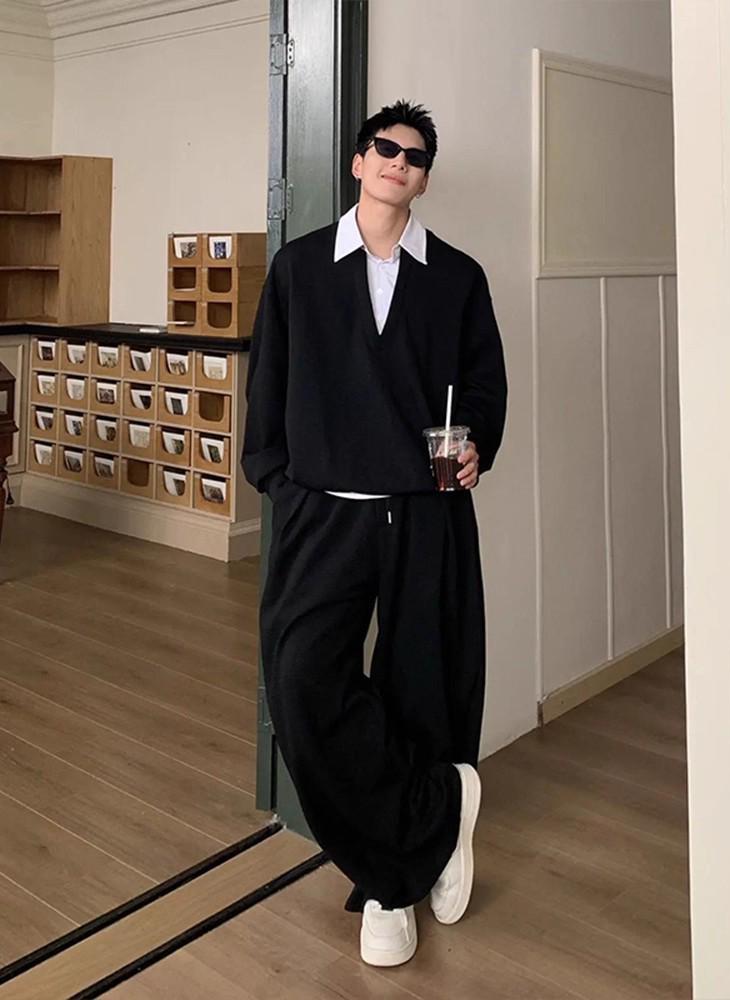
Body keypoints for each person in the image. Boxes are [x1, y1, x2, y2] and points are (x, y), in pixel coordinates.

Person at [241, 98, 508, 967]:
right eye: (385, 148)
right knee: (302, 686)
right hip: (324, 511)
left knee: (424, 684)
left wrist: (476, 444)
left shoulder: (457, 277)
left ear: (423, 178)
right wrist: (278, 480)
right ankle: (438, 814)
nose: (399, 161)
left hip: (425, 509)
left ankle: (391, 885)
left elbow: (483, 387)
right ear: (359, 162)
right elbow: (268, 382)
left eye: (415, 155)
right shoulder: (299, 269)